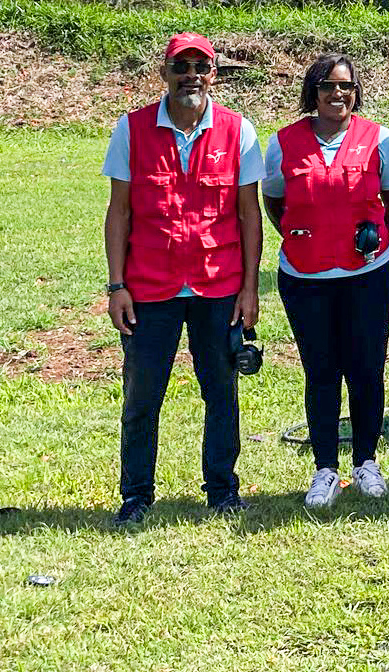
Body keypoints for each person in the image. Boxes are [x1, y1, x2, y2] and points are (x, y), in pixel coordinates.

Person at [102, 33, 264, 525]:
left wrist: (250, 288)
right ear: (164, 73)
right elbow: (119, 212)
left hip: (219, 285)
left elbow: (249, 215)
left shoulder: (238, 131)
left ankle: (222, 490)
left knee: (221, 393)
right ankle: (136, 495)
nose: (190, 75)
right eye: (181, 66)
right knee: (142, 396)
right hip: (150, 287)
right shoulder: (132, 130)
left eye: (200, 66)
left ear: (213, 74)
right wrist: (116, 286)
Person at [261, 54, 389, 509]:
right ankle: (325, 468)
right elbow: (275, 204)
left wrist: (364, 238)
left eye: (345, 86)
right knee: (321, 370)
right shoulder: (282, 143)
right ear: (313, 91)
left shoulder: (382, 139)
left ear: (356, 91)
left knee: (366, 369)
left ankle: (366, 462)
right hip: (305, 277)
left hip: (367, 276)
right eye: (327, 85)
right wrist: (311, 238)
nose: (337, 94)